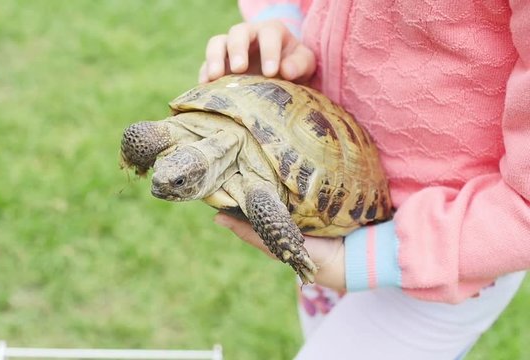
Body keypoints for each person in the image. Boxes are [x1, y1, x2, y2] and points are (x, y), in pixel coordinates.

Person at [200, 1, 530, 359]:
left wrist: (371, 259)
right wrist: (282, 27)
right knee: (321, 335)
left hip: (452, 251)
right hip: (327, 209)